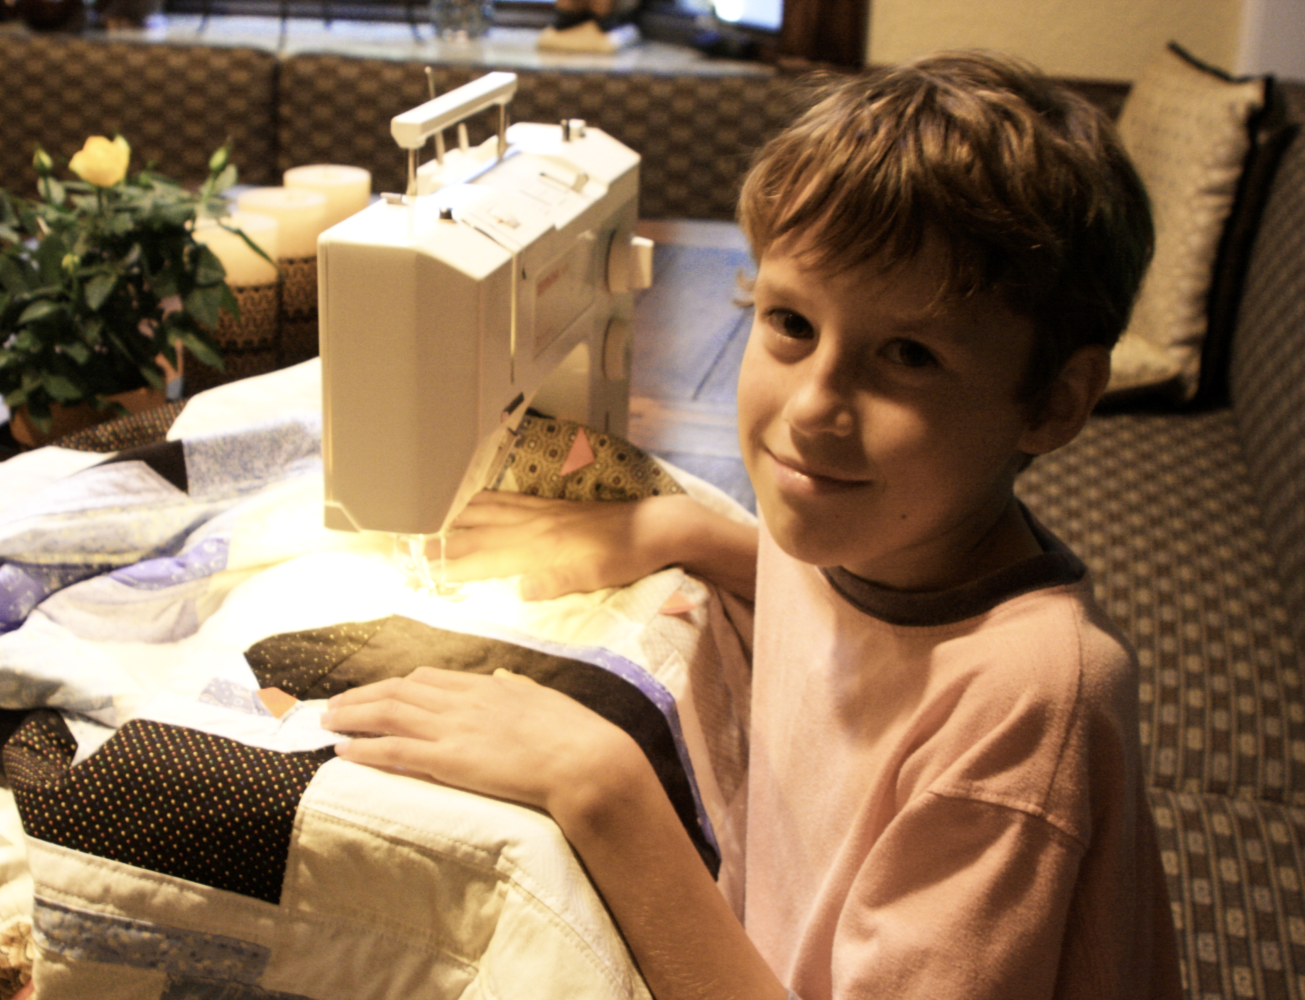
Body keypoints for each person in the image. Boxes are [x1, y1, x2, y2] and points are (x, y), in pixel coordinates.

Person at [321, 51, 1182, 999]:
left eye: (908, 354)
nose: (813, 407)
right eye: (791, 324)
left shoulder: (1030, 709)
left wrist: (602, 790)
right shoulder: (881, 539)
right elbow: (836, 610)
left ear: (1057, 401)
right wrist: (670, 530)